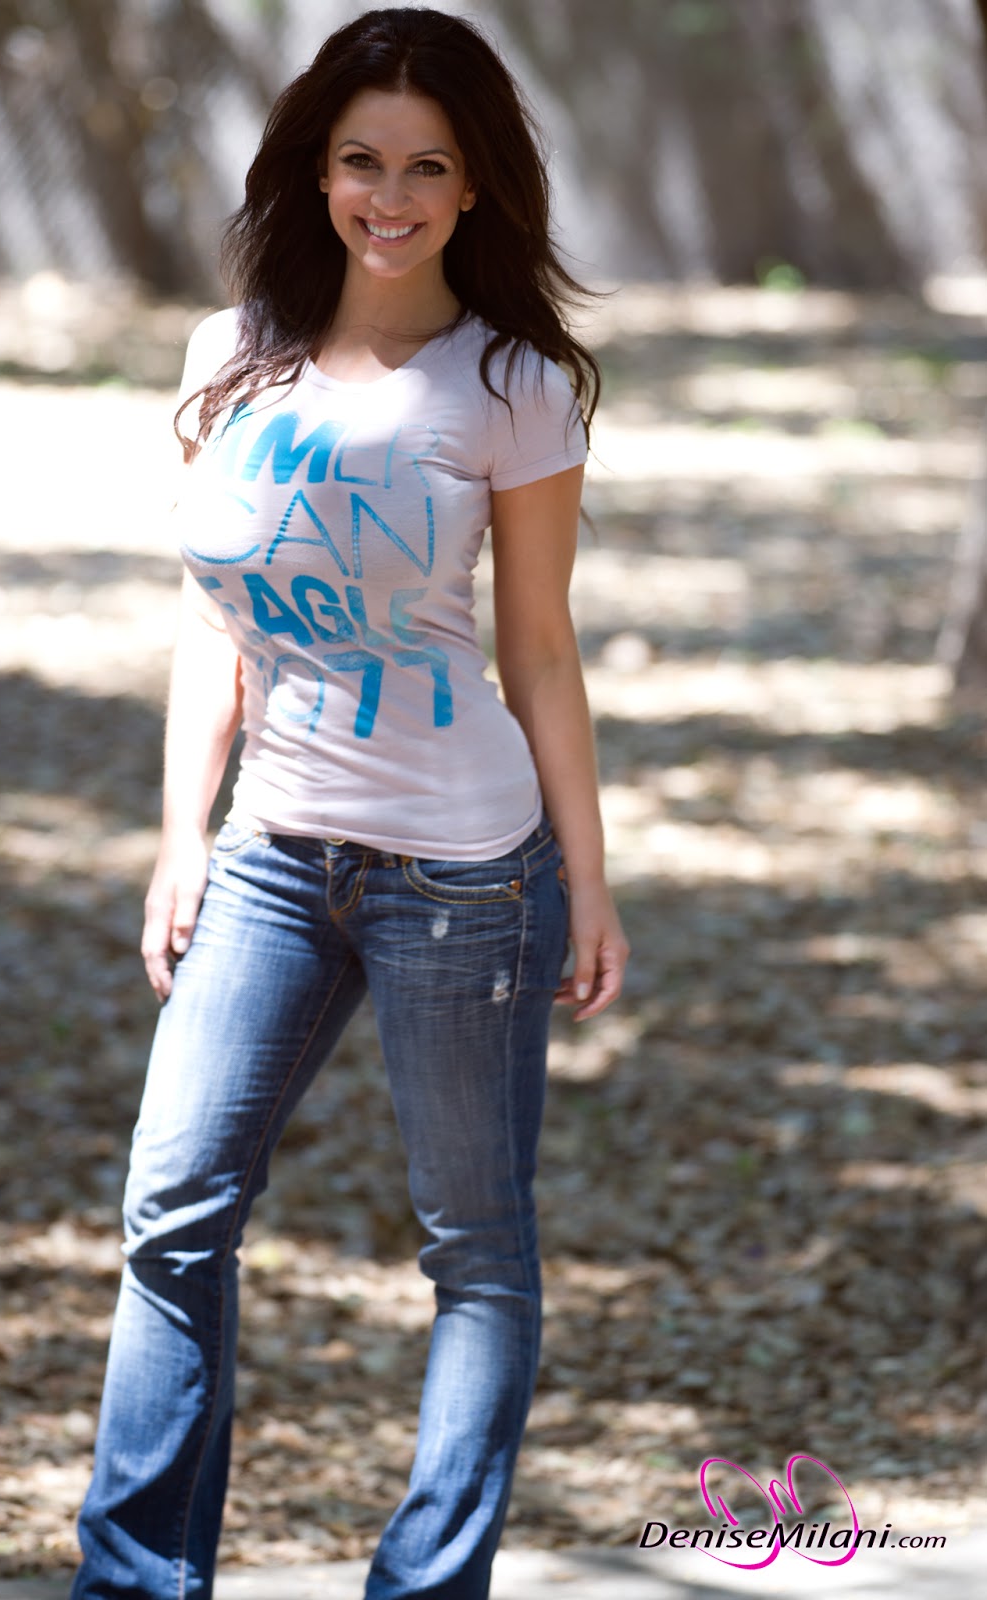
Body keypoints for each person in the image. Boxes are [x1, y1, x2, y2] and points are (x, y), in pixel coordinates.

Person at [71, 8, 629, 1598]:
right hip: (270, 851)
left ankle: (426, 1584)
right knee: (173, 1207)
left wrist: (588, 885)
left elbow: (538, 649)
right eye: (360, 161)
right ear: (315, 172)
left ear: (476, 187)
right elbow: (212, 622)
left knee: (474, 1250)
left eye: (426, 168)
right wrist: (181, 836)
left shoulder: (511, 382)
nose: (389, 196)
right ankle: (134, 1580)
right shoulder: (229, 354)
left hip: (464, 872)